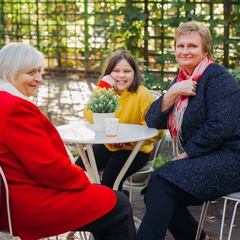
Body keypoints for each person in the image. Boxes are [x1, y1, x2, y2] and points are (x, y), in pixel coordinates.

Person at [0, 42, 136, 240]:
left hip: (15, 196)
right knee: (118, 204)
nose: (39, 79)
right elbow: (47, 167)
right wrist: (83, 178)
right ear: (10, 72)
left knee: (108, 203)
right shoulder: (15, 108)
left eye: (39, 72)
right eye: (31, 73)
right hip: (30, 202)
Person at [137, 21, 240, 240]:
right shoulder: (181, 80)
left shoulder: (218, 77)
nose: (185, 51)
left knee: (160, 183)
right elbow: (152, 120)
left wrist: (187, 153)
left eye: (192, 46)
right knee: (157, 192)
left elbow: (221, 124)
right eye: (180, 46)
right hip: (205, 158)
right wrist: (171, 93)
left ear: (205, 50)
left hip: (231, 158)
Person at [75, 49, 164, 191]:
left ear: (134, 73)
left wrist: (127, 139)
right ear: (109, 73)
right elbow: (90, 117)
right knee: (77, 171)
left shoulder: (144, 96)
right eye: (116, 71)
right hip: (109, 144)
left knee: (110, 178)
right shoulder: (107, 92)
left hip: (136, 149)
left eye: (127, 71)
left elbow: (157, 132)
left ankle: (114, 209)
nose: (121, 75)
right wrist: (102, 88)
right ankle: (85, 207)